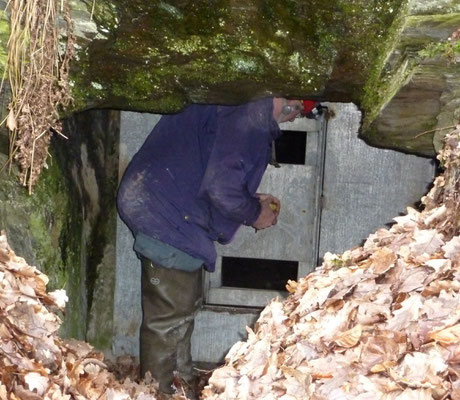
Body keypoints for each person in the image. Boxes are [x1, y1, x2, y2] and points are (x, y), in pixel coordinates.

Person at [116, 97, 303, 394]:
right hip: (164, 209)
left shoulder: (244, 101)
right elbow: (221, 188)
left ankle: (184, 382)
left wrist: (247, 202)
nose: (294, 120)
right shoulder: (252, 113)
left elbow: (213, 171)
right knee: (166, 320)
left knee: (182, 307)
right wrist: (255, 213)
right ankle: (159, 392)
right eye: (302, 110)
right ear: (292, 103)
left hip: (166, 200)